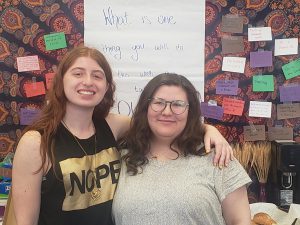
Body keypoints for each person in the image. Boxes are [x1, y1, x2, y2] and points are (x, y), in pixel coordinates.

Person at [12, 46, 233, 225]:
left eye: (97, 76)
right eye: (78, 73)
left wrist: (208, 129)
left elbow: (161, 123)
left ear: (107, 86)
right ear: (61, 81)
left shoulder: (112, 125)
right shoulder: (36, 142)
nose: (88, 81)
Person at [112, 73, 252, 225]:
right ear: (146, 108)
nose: (166, 111)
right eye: (158, 103)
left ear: (189, 112)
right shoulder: (121, 157)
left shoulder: (217, 156)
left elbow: (240, 221)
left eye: (177, 104)